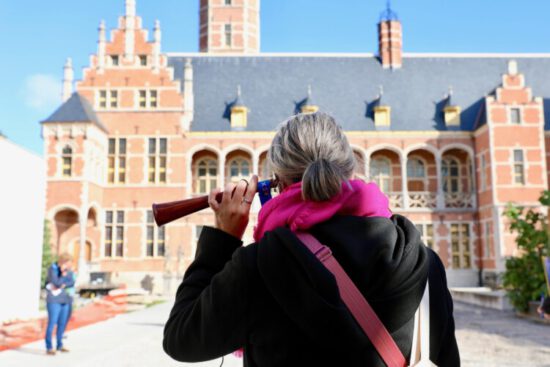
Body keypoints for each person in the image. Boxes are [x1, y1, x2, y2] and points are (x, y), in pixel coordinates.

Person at [163, 112, 460, 366]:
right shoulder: (422, 263)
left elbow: (181, 338)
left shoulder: (261, 266)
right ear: (350, 166)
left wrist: (222, 238)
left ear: (277, 181)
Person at [44, 253, 75, 355]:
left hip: (65, 300)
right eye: (67, 263)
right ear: (63, 262)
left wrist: (64, 283)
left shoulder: (69, 271)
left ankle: (60, 344)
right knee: (52, 323)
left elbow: (72, 282)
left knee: (62, 323)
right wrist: (62, 275)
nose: (68, 266)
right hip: (54, 300)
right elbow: (56, 282)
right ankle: (49, 347)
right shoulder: (53, 269)